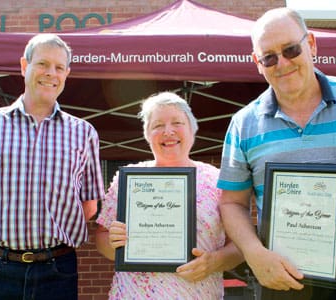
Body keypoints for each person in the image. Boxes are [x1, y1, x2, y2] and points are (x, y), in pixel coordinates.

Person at [217, 7, 336, 300]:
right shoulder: (244, 124)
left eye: (290, 49)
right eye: (269, 57)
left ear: (311, 44)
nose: (282, 63)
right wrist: (254, 253)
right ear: (257, 63)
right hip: (287, 283)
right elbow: (232, 203)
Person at [0, 33, 105, 300]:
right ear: (23, 66)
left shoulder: (84, 133)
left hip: (58, 271)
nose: (50, 73)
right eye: (42, 64)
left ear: (66, 73)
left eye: (59, 67)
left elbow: (89, 205)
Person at [94, 91, 244, 299]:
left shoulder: (218, 180)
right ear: (147, 134)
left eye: (177, 122)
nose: (168, 131)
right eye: (157, 125)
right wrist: (113, 245)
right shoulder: (127, 180)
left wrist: (215, 261)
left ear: (192, 129)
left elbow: (240, 244)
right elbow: (101, 237)